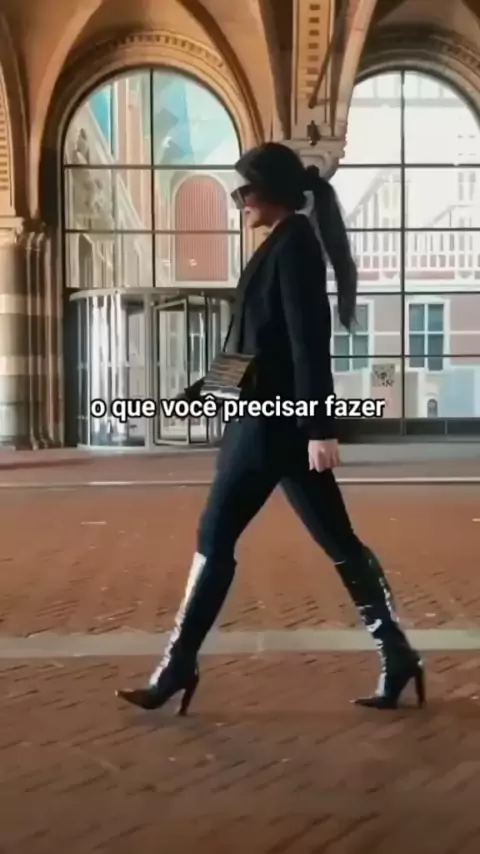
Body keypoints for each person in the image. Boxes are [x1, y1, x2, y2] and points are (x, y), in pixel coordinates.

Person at [116, 142, 425, 714]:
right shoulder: (281, 244)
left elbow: (309, 344)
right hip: (268, 428)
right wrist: (188, 399)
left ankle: (178, 666)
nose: (240, 202)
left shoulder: (295, 246)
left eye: (245, 191)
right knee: (337, 541)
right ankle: (398, 653)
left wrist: (320, 429)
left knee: (216, 536)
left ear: (273, 191)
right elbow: (249, 350)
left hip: (269, 430)